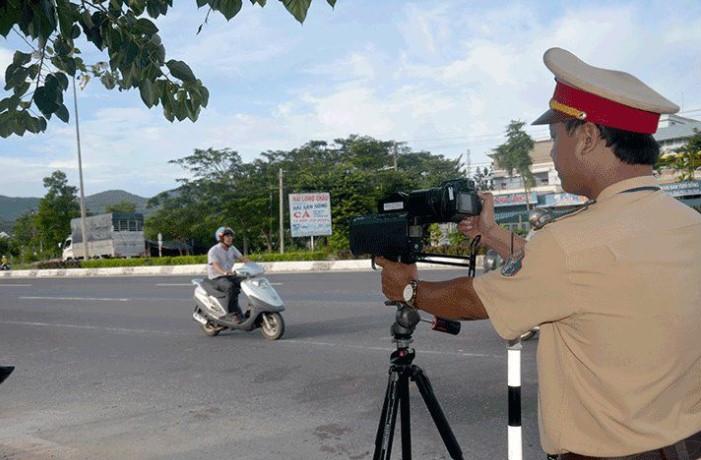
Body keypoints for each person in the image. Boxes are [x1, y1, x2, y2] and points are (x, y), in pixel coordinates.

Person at [377, 47, 701, 459]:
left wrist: (408, 290)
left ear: (586, 138)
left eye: (554, 138)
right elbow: (584, 278)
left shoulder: (571, 243)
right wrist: (493, 236)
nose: (551, 153)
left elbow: (479, 299)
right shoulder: (686, 223)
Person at [207, 226, 250, 322]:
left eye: (231, 235)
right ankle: (230, 314)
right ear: (221, 238)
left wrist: (254, 266)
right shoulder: (214, 250)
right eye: (227, 235)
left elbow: (242, 258)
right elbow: (215, 265)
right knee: (230, 287)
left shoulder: (232, 248)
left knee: (248, 282)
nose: (230, 237)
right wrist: (224, 272)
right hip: (217, 277)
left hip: (229, 275)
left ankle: (252, 307)